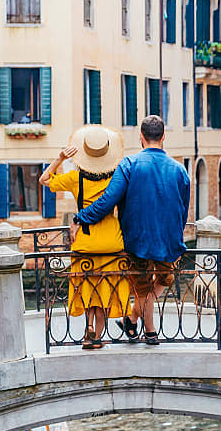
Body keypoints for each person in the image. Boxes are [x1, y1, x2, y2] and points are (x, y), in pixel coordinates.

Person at [71, 115, 190, 345]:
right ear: (163, 137)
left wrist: (80, 217)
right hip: (168, 239)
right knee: (156, 282)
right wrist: (177, 232)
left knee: (154, 283)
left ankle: (133, 318)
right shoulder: (179, 170)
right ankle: (150, 330)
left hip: (137, 239)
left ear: (141, 138)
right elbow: (183, 209)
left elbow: (107, 202)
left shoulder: (129, 164)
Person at [42, 126, 132, 349]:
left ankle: (89, 329)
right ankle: (97, 337)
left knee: (88, 288)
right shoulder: (118, 178)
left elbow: (45, 179)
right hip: (112, 241)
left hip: (85, 241)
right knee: (104, 289)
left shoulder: (75, 179)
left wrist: (61, 157)